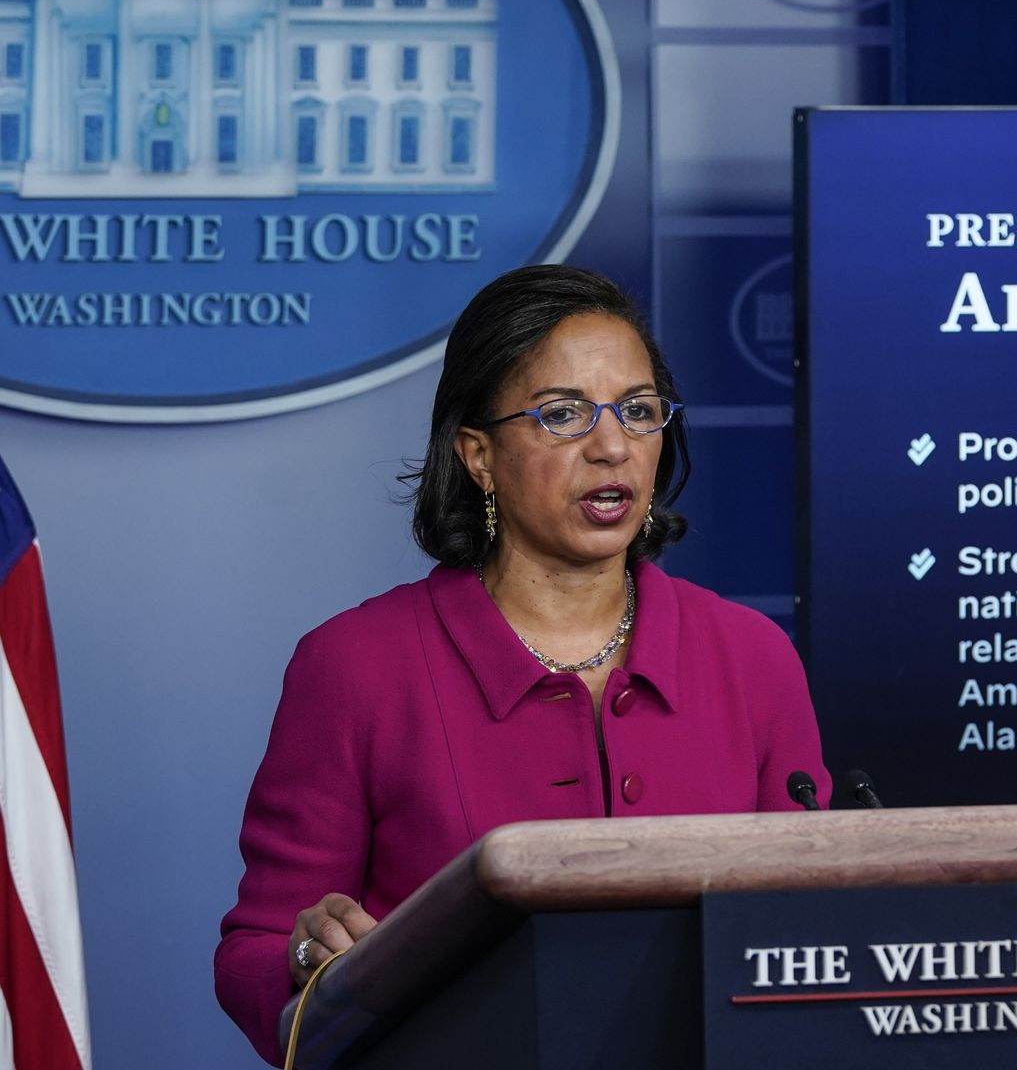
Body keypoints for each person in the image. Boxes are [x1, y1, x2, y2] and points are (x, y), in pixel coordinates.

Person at [213, 265, 829, 1063]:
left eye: (639, 412)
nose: (612, 447)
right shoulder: (356, 667)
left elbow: (811, 933)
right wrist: (310, 961)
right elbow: (258, 950)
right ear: (478, 455)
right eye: (564, 414)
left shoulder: (750, 657)